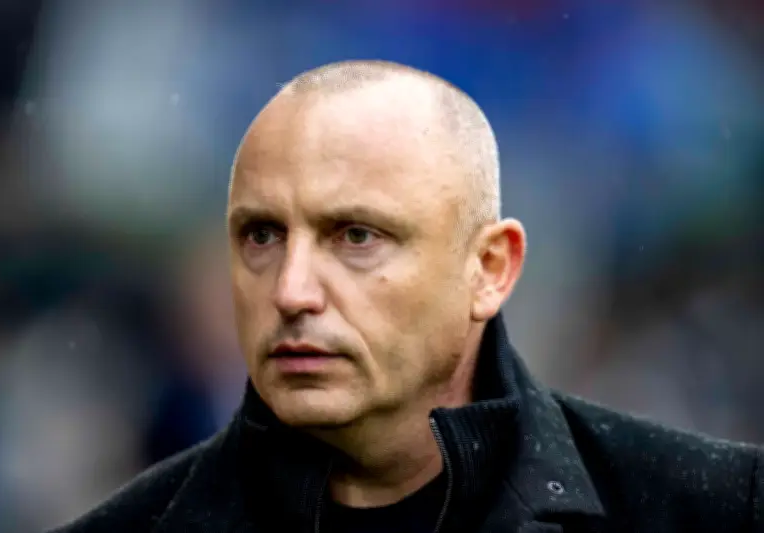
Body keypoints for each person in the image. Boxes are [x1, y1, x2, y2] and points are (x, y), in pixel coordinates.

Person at [49, 60, 764, 533]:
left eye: (357, 236)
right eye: (262, 235)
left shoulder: (719, 511)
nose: (292, 290)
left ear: (490, 268)